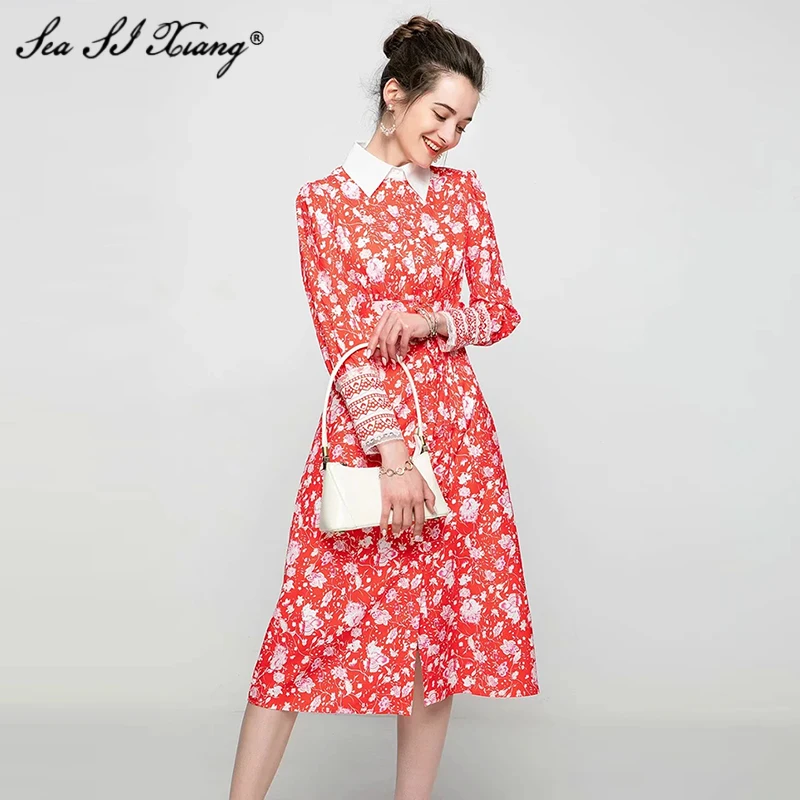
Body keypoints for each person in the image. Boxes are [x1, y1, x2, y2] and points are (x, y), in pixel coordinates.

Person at [229, 14, 540, 800]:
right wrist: (392, 453)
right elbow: (341, 339)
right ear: (395, 94)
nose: (451, 136)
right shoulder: (324, 203)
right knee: (304, 625)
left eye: (464, 124)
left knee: (435, 637)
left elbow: (498, 312)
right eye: (442, 114)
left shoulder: (462, 197)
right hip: (368, 436)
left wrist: (434, 320)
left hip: (458, 437)